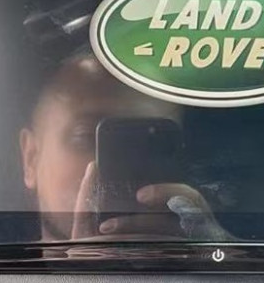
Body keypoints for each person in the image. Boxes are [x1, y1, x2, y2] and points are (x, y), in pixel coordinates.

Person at [19, 48, 228, 243]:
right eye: (86, 136)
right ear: (31, 158)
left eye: (150, 142)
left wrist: (216, 254)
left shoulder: (216, 257)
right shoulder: (0, 267)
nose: (123, 162)